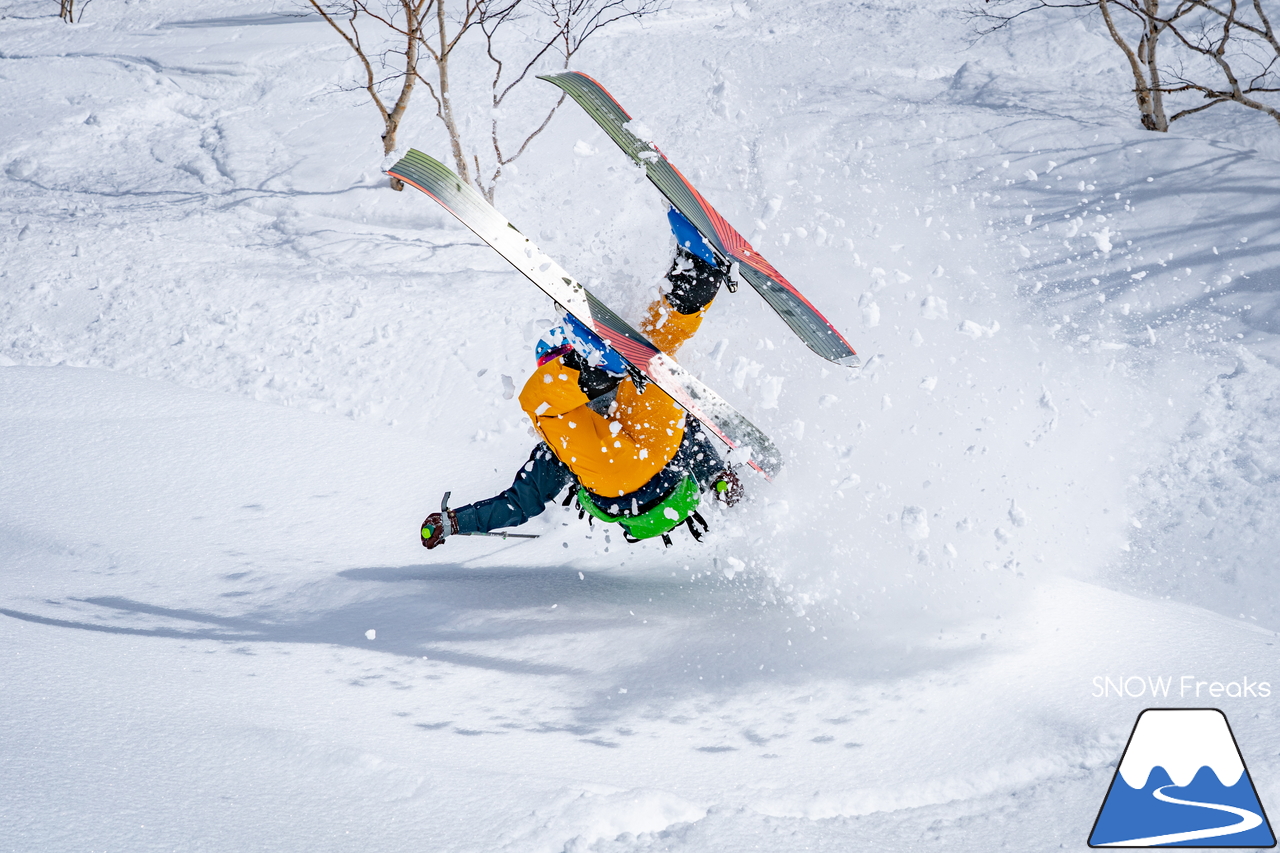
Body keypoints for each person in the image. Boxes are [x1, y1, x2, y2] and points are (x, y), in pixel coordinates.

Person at [421, 209, 744, 550]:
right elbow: (686, 433)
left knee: (647, 358)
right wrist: (717, 477)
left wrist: (454, 521)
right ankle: (700, 272)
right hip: (658, 459)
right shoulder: (574, 433)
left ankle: (699, 269)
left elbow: (520, 503)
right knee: (654, 354)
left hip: (628, 480)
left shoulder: (564, 446)